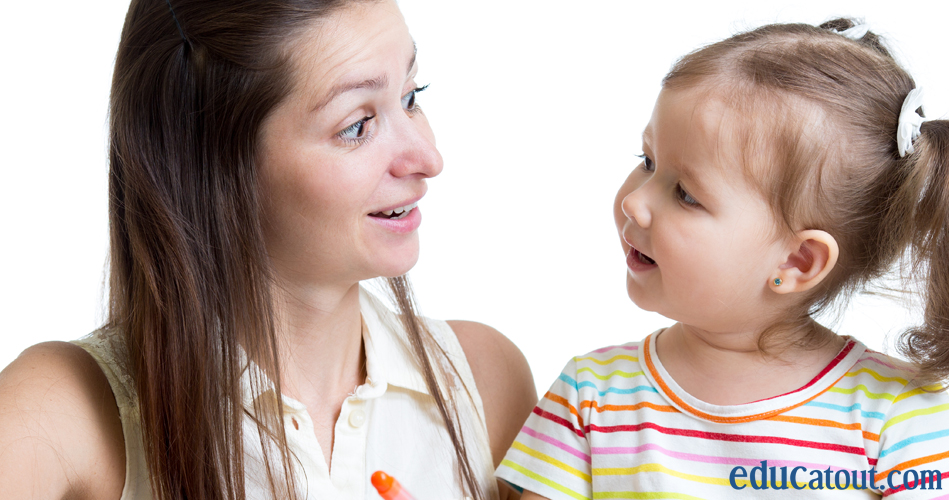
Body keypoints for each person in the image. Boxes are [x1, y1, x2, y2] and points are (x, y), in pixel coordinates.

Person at [0, 0, 536, 499]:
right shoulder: (60, 412)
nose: (428, 156)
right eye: (357, 125)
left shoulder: (484, 381)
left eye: (411, 98)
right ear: (212, 166)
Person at [496, 19, 949, 499]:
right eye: (648, 161)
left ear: (797, 261)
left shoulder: (900, 416)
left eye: (686, 194)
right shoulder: (592, 395)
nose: (634, 202)